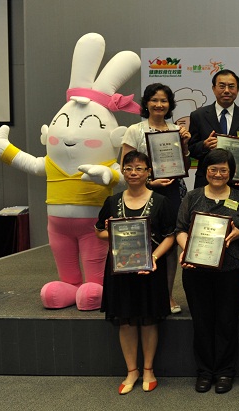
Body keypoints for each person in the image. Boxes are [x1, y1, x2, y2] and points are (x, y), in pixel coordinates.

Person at [95, 151, 176, 394]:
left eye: (139, 168)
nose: (133, 173)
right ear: (122, 171)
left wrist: (153, 258)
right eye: (128, 168)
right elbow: (99, 231)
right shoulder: (112, 201)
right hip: (120, 270)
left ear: (149, 172)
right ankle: (132, 371)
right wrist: (110, 232)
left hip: (150, 269)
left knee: (149, 320)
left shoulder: (161, 202)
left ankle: (148, 369)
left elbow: (170, 236)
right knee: (125, 321)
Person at [175, 149, 239, 394]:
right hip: (197, 270)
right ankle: (205, 372)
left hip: (230, 270)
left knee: (227, 321)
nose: (218, 174)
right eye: (213, 169)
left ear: (231, 172)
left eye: (223, 170)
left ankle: (225, 371)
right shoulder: (192, 197)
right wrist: (188, 250)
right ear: (205, 171)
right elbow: (180, 229)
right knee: (202, 321)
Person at [121, 83, 192, 314]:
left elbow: (185, 166)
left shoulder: (176, 130)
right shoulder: (134, 130)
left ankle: (168, 295)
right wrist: (150, 182)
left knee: (170, 245)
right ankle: (141, 295)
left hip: (173, 192)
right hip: (144, 192)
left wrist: (184, 143)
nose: (159, 105)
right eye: (154, 100)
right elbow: (124, 167)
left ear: (170, 104)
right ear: (146, 103)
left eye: (164, 100)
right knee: (143, 241)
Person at [188, 69, 239, 190]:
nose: (226, 90)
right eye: (222, 86)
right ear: (213, 88)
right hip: (206, 181)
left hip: (238, 182)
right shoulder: (198, 115)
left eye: (231, 86)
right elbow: (190, 149)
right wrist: (204, 145)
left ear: (237, 90)